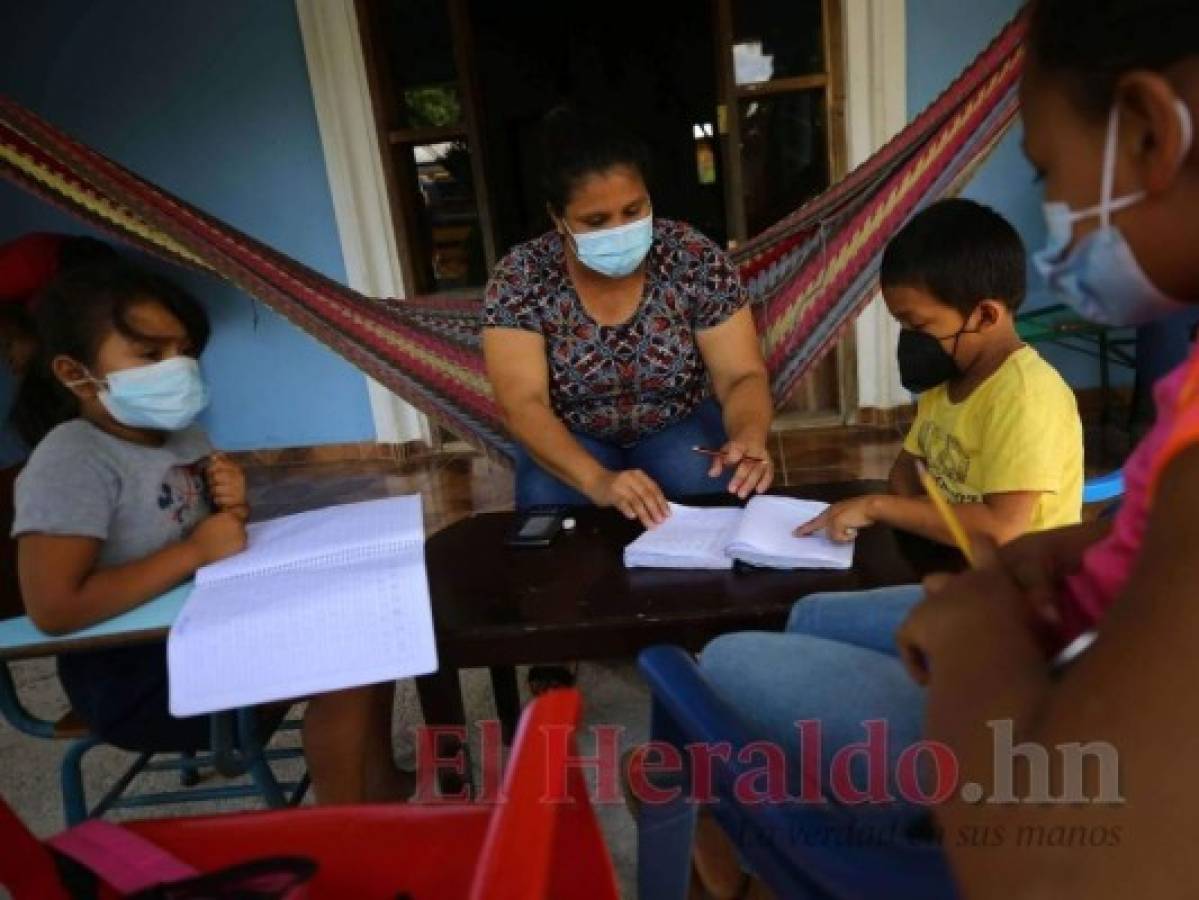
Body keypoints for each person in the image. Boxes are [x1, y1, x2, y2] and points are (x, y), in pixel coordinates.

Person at [898, 0, 1199, 894]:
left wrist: (974, 623)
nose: (1053, 215)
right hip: (1067, 647)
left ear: (1148, 133)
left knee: (743, 675)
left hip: (1046, 721)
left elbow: (1053, 862)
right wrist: (1091, 544)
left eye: (1044, 169)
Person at [12, 262, 407, 804]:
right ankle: (345, 829)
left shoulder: (183, 436)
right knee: (346, 663)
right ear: (76, 374)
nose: (177, 368)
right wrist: (195, 551)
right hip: (138, 677)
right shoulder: (71, 461)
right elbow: (54, 608)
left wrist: (233, 509)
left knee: (377, 626)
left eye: (184, 351)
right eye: (150, 355)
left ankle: (379, 790)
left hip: (209, 628)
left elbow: (209, 537)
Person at [482, 108, 774, 530]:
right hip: (573, 434)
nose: (619, 229)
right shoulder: (521, 277)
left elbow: (741, 374)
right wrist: (598, 481)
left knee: (716, 495)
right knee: (549, 511)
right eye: (596, 221)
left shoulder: (692, 258)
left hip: (676, 421)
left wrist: (748, 434)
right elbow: (522, 403)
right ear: (558, 218)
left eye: (633, 210)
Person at [797, 197, 1083, 547]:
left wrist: (876, 507)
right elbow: (904, 478)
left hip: (1023, 574)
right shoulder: (946, 380)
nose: (910, 339)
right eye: (902, 325)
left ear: (985, 316)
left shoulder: (1026, 398)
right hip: (956, 556)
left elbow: (1002, 529)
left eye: (918, 325)